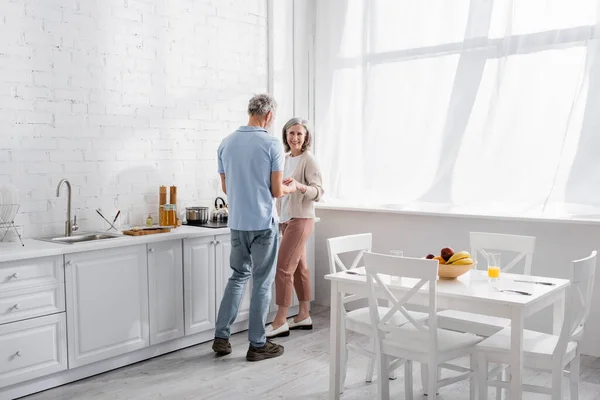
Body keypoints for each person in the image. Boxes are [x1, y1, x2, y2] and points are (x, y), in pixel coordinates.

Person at [212, 94, 297, 362]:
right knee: (261, 282)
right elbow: (275, 191)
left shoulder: (225, 144)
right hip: (262, 223)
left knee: (237, 277)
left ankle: (221, 337)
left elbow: (226, 188)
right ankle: (257, 344)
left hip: (237, 224)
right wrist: (289, 186)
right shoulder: (271, 145)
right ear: (269, 116)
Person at [265, 118, 324, 338]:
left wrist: (300, 186)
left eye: (299, 134)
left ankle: (280, 320)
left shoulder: (309, 160)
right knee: (300, 268)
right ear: (285, 135)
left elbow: (318, 192)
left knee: (283, 268)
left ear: (306, 136)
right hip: (287, 220)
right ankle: (303, 315)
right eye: (291, 133)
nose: (295, 138)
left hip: (302, 219)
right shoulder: (285, 158)